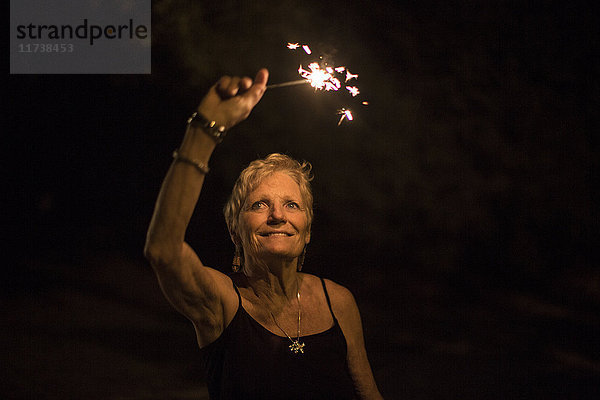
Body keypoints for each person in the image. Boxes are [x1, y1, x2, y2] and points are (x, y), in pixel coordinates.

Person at [144, 68, 383, 399]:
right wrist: (205, 130)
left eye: (292, 205)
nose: (277, 216)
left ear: (308, 230)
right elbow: (163, 251)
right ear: (235, 230)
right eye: (259, 205)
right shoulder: (221, 303)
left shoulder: (338, 302)